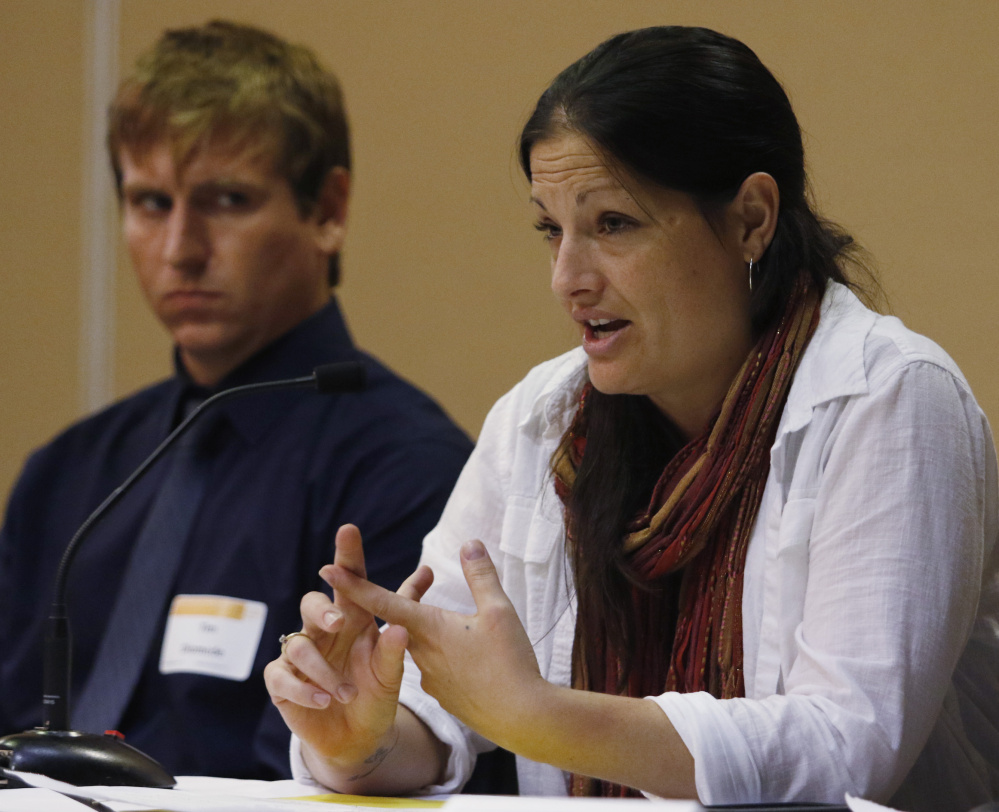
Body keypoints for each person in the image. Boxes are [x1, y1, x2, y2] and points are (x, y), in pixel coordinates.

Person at [264, 25, 999, 811]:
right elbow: (438, 713)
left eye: (612, 223)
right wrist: (360, 735)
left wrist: (543, 718)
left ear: (751, 218)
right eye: (551, 228)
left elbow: (848, 748)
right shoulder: (541, 421)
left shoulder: (887, 396)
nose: (566, 279)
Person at [0, 20, 472, 780]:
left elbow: (364, 763)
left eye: (226, 200)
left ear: (328, 209)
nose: (180, 248)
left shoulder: (407, 469)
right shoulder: (66, 473)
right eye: (150, 202)